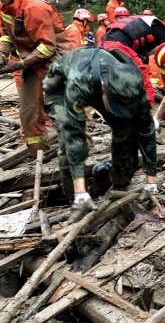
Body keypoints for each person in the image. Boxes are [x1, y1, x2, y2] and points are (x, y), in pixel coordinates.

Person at [43, 47, 157, 207]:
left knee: (125, 130)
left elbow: (146, 129)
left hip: (101, 87)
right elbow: (73, 133)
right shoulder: (79, 82)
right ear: (104, 88)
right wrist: (80, 192)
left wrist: (151, 179)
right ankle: (75, 197)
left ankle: (120, 183)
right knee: (67, 140)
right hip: (61, 89)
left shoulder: (134, 86)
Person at [0, 0, 70, 150]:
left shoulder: (33, 7)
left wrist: (19, 65)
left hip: (56, 60)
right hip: (31, 61)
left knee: (58, 109)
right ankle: (38, 152)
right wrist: (0, 55)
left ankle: (81, 147)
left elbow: (47, 47)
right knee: (28, 113)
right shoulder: (5, 7)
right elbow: (7, 34)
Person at [100, 13, 165, 106]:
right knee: (143, 81)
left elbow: (142, 57)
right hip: (117, 45)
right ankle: (147, 114)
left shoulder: (150, 29)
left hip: (103, 44)